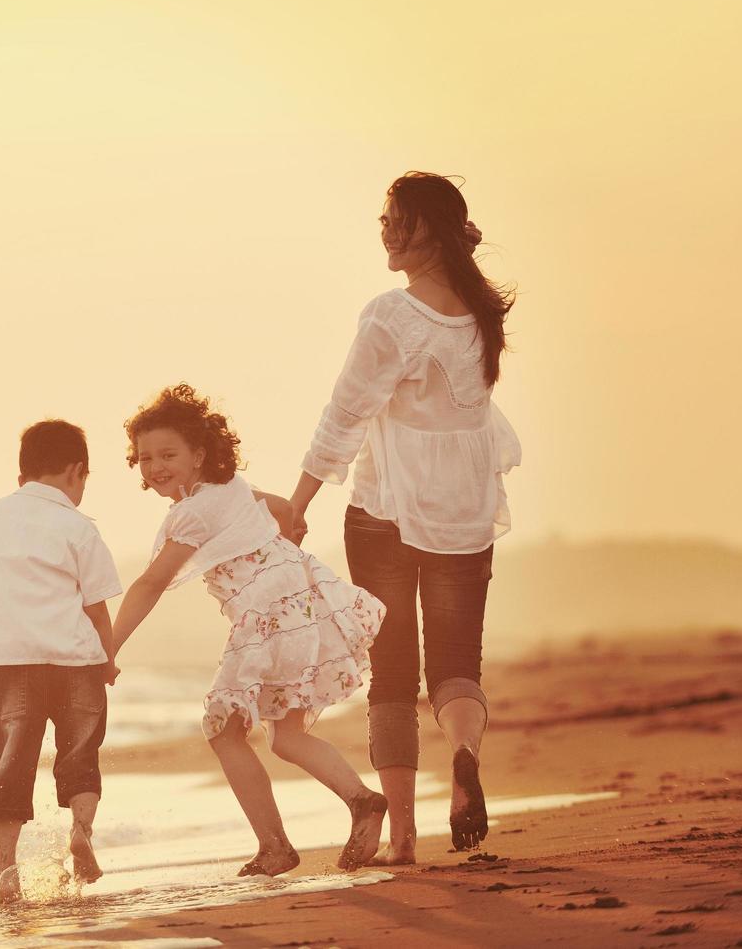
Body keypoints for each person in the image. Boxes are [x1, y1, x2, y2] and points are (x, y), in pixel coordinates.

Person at [289, 171, 520, 864]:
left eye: (396, 217)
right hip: (465, 511)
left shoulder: (393, 315)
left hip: (387, 512)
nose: (384, 228)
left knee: (392, 674)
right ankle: (463, 754)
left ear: (428, 227)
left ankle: (405, 840)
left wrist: (297, 505)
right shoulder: (480, 313)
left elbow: (345, 414)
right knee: (456, 665)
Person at [112, 385, 387, 876]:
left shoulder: (192, 513)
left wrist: (107, 648)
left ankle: (276, 846)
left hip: (269, 620)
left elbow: (152, 581)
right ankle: (361, 800)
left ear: (199, 454)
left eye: (169, 454)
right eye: (145, 457)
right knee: (285, 737)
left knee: (222, 728)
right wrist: (288, 532)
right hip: (300, 607)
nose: (155, 466)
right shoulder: (230, 488)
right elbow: (279, 507)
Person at [0, 420, 122, 904]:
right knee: (80, 757)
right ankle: (80, 831)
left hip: (14, 666)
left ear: (22, 475)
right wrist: (109, 659)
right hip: (78, 662)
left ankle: (5, 869)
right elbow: (97, 607)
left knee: (11, 762)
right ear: (77, 472)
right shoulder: (79, 527)